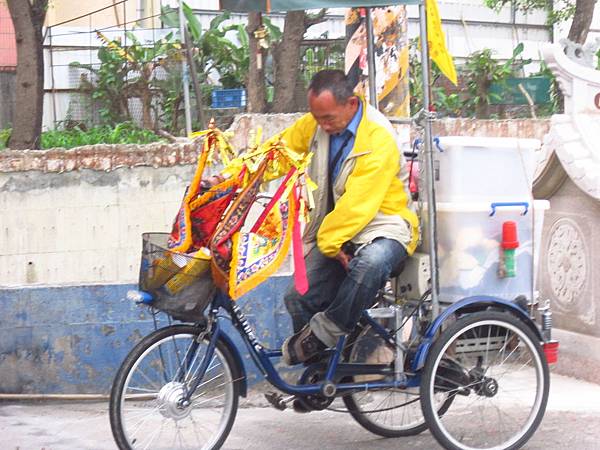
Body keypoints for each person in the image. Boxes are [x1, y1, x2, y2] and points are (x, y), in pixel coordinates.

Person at [275, 69, 420, 366]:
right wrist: (228, 179)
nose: (322, 125)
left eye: (328, 118)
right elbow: (277, 153)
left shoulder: (377, 136)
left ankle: (324, 334)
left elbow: (358, 205)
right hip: (340, 233)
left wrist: (329, 244)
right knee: (298, 297)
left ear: (351, 104)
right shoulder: (317, 125)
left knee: (370, 263)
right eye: (317, 118)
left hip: (387, 228)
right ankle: (320, 378)